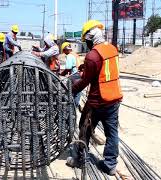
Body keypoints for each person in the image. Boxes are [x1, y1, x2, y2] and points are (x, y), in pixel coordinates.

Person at [67, 20, 123, 176]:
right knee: (112, 133)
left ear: (91, 37)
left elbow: (85, 81)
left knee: (84, 127)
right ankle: (110, 165)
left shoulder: (92, 55)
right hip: (114, 99)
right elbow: (104, 69)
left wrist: (70, 89)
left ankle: (79, 159)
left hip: (97, 102)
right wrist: (87, 67)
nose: (87, 44)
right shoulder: (112, 49)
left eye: (87, 41)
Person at [59, 42, 81, 107]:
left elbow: (68, 68)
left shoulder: (69, 56)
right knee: (78, 92)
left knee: (70, 92)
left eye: (63, 51)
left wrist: (62, 74)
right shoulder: (75, 54)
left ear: (66, 49)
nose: (64, 53)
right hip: (80, 75)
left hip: (74, 76)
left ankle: (71, 108)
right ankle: (75, 107)